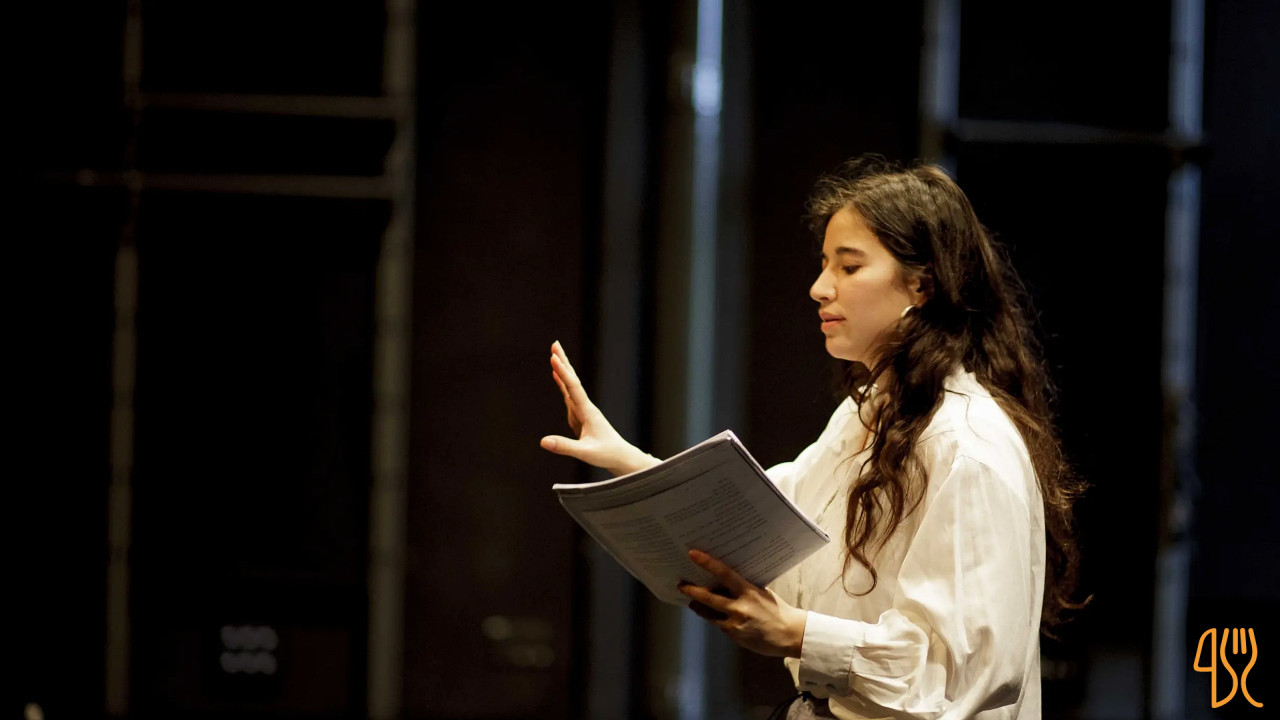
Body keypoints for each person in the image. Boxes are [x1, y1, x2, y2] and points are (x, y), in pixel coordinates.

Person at [539, 155, 1087, 719]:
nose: (820, 288)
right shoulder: (870, 412)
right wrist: (629, 460)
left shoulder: (965, 447)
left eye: (849, 267)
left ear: (922, 285)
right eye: (825, 265)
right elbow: (774, 523)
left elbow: (955, 677)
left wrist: (797, 634)